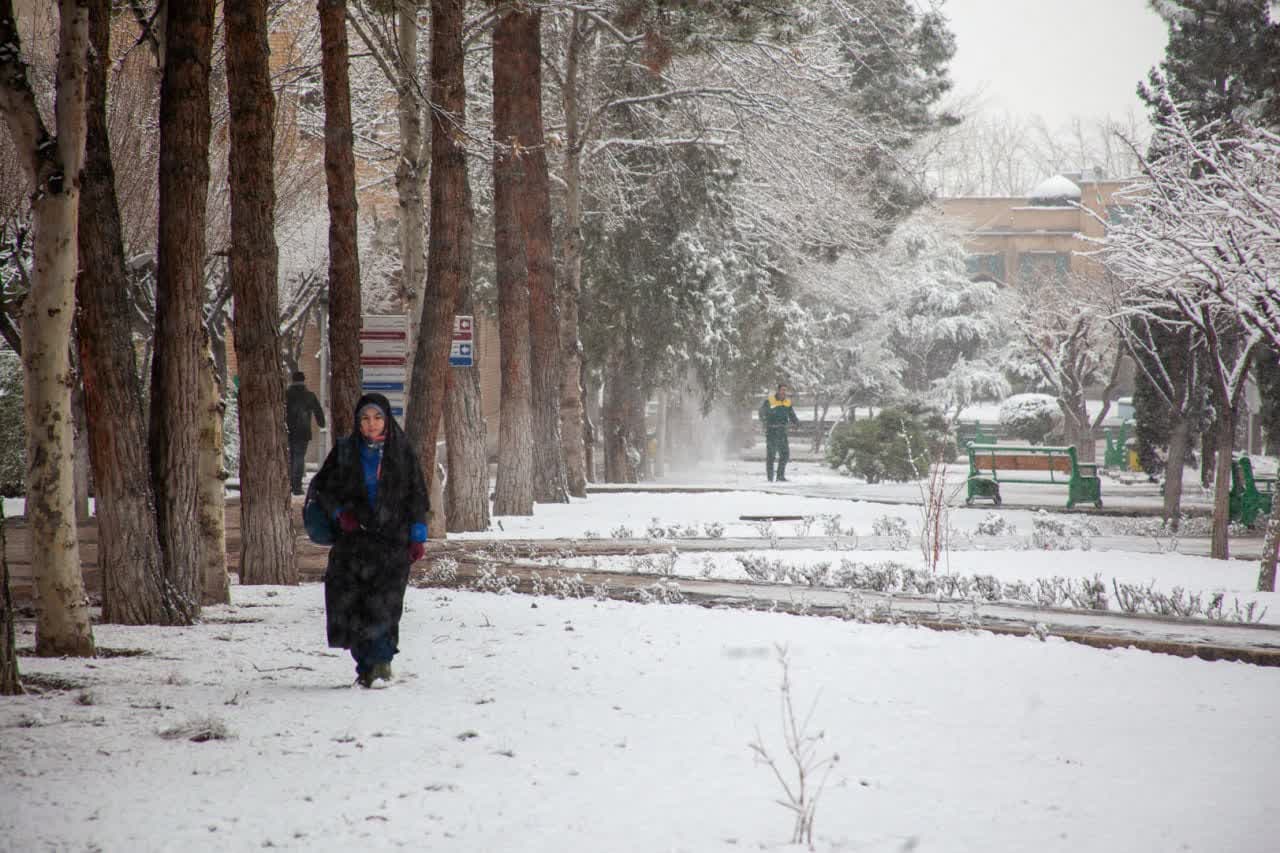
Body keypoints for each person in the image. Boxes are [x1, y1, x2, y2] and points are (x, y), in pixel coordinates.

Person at [309, 392, 429, 688]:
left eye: (377, 417)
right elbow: (322, 488)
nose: (371, 424)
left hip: (392, 543)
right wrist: (340, 514)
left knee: (386, 606)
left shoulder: (401, 452)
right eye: (365, 418)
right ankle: (365, 665)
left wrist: (417, 536)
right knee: (354, 606)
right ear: (357, 422)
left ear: (387, 420)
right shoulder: (345, 452)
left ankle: (381, 663)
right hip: (354, 545)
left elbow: (417, 495)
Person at [285, 370, 326, 495]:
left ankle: (288, 484)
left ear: (292, 380)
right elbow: (318, 411)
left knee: (289, 457)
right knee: (299, 457)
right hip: (303, 432)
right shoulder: (309, 395)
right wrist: (321, 423)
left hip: (287, 431)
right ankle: (296, 486)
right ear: (304, 381)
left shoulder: (285, 394)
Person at [759, 383, 801, 482]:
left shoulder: (787, 402)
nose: (784, 392)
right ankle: (770, 477)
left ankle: (780, 476)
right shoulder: (770, 401)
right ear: (778, 390)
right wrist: (765, 421)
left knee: (785, 454)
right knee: (771, 455)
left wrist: (797, 423)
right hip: (772, 431)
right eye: (782, 390)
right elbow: (761, 413)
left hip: (782, 431)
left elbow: (791, 414)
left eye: (785, 390)